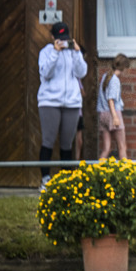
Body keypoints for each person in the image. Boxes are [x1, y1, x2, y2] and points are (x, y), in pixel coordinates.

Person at [37, 21, 87, 189]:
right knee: (48, 140)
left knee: (67, 143)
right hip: (49, 102)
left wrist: (77, 53)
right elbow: (45, 73)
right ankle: (45, 179)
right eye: (59, 38)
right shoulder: (46, 52)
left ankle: (66, 181)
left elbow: (81, 72)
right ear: (53, 37)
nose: (62, 41)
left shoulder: (72, 52)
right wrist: (55, 54)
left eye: (64, 38)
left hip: (71, 103)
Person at [98, 54, 131, 160]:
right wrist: (115, 117)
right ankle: (125, 174)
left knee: (106, 149)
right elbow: (110, 99)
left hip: (102, 114)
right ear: (124, 68)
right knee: (122, 147)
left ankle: (96, 172)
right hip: (113, 113)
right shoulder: (115, 80)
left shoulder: (105, 77)